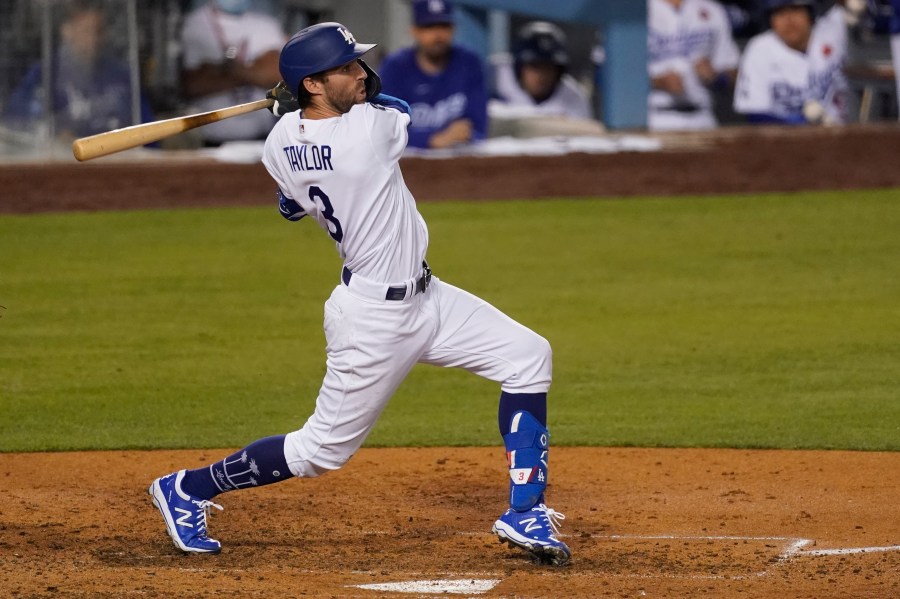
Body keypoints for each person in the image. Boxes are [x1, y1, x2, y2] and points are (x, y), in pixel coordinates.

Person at [148, 22, 571, 567]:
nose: (361, 74)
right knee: (319, 451)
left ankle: (524, 510)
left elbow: (291, 205)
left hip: (429, 298)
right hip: (373, 318)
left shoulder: (277, 145)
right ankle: (188, 488)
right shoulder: (369, 132)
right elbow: (397, 103)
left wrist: (291, 111)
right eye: (347, 67)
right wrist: (302, 102)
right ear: (315, 84)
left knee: (528, 356)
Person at [4, 0, 154, 139]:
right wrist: (55, 136)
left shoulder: (120, 77)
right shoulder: (45, 75)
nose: (94, 39)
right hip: (64, 163)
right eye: (87, 31)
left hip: (116, 163)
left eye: (99, 31)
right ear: (67, 31)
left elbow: (149, 131)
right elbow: (18, 125)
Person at [378, 0, 488, 149]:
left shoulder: (469, 63)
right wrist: (433, 139)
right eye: (429, 27)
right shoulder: (395, 67)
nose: (437, 35)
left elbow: (478, 127)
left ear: (453, 29)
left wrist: (457, 136)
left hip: (458, 159)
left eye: (444, 26)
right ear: (414, 31)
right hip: (407, 162)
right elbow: (384, 130)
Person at [179, 0, 286, 145]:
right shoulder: (195, 24)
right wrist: (253, 69)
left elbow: (276, 75)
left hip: (263, 138)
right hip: (212, 141)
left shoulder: (267, 24)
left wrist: (225, 70)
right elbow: (193, 85)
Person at [734, 0, 849, 125]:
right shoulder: (760, 49)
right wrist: (797, 125)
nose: (789, 20)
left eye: (795, 9)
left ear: (810, 13)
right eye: (780, 13)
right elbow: (754, 112)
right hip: (784, 139)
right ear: (770, 20)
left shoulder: (833, 32)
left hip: (844, 132)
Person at [647, 0, 742, 131]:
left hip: (703, 116)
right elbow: (615, 77)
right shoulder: (633, 11)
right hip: (654, 117)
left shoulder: (712, 10)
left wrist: (716, 76)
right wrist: (657, 82)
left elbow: (735, 74)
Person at [490, 21, 593, 120]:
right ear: (519, 66)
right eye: (535, 66)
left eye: (549, 68)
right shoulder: (495, 76)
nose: (542, 75)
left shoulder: (573, 99)